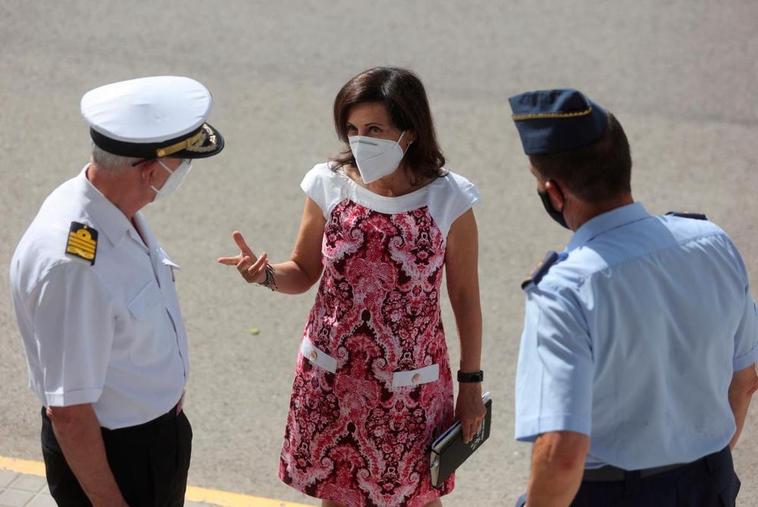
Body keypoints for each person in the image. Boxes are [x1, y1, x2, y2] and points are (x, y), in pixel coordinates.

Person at [219, 66, 485, 507]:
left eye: (376, 129)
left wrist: (471, 383)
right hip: (332, 379)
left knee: (418, 497)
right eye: (353, 129)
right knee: (338, 495)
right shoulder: (328, 183)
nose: (362, 140)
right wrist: (264, 274)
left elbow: (465, 298)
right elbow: (303, 272)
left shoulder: (449, 200)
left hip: (411, 390)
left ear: (410, 131)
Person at [509, 88, 758, 506]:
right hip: (709, 481)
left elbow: (563, 452)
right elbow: (746, 377)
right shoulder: (712, 243)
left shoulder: (564, 290)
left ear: (554, 193)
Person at [10, 75, 225, 506]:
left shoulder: (110, 207)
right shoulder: (74, 266)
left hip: (154, 440)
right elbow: (69, 413)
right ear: (150, 169)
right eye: (181, 163)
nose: (182, 172)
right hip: (117, 459)